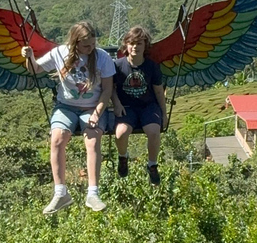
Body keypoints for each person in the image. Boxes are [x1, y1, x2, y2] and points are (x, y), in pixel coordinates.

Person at [21, 22, 115, 214]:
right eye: (86, 46)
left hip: (92, 106)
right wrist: (29, 57)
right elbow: (35, 69)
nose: (91, 49)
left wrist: (97, 113)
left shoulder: (102, 58)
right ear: (75, 43)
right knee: (57, 139)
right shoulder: (59, 53)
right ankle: (60, 192)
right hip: (66, 107)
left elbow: (107, 90)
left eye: (92, 45)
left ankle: (93, 193)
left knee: (92, 139)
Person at [111, 26, 167, 185]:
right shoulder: (117, 65)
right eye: (132, 43)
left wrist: (164, 114)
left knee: (154, 131)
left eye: (139, 43)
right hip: (127, 107)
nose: (135, 47)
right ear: (126, 45)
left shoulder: (151, 67)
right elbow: (110, 89)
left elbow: (158, 92)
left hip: (148, 107)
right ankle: (123, 157)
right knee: (121, 133)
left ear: (145, 46)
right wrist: (116, 103)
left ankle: (152, 165)